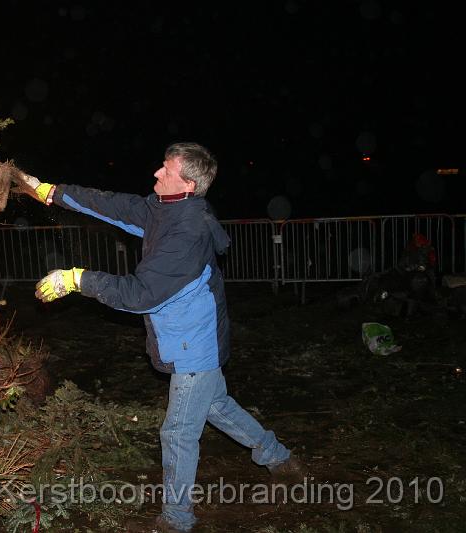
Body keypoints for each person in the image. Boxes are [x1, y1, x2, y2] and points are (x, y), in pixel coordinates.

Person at [20, 142, 304, 532]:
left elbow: (140, 294)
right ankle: (280, 459)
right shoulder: (165, 208)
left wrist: (77, 279)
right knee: (217, 406)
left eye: (166, 170)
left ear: (188, 184)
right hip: (189, 337)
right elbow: (114, 206)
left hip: (193, 345)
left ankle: (176, 520)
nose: (156, 173)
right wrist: (51, 192)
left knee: (178, 433)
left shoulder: (187, 233)